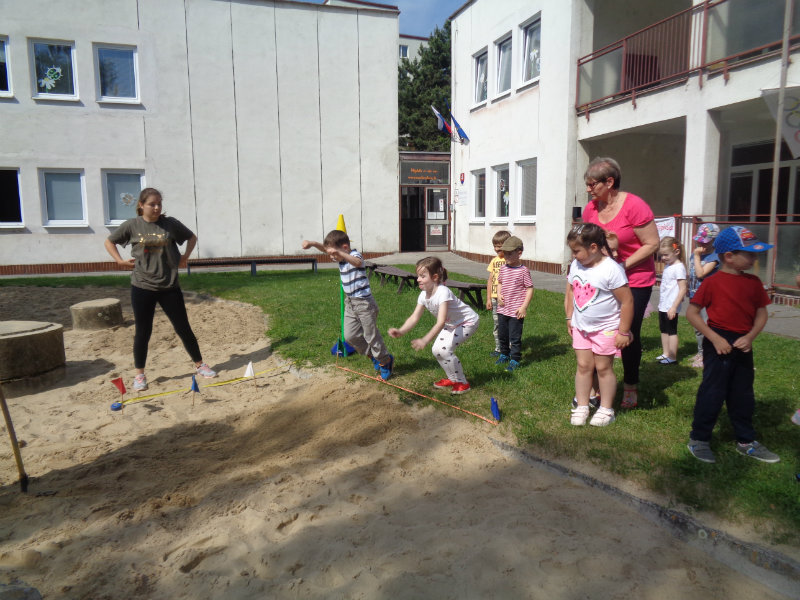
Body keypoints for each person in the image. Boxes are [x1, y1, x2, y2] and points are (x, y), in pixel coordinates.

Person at [104, 188, 217, 391]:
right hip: (142, 286)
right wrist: (119, 261)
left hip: (169, 286)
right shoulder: (132, 225)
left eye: (159, 204)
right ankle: (140, 375)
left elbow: (192, 237)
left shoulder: (170, 224)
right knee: (143, 331)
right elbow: (109, 241)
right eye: (152, 204)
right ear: (141, 205)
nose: (156, 208)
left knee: (183, 327)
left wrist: (185, 257)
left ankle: (200, 365)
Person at [685, 226, 779, 464]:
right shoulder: (712, 282)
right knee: (712, 391)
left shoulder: (753, 283)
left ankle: (746, 441)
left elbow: (761, 314)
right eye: (750, 254)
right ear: (729, 256)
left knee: (743, 393)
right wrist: (715, 338)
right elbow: (692, 313)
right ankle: (699, 439)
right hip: (717, 341)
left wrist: (750, 337)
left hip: (742, 343)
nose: (755, 258)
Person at [582, 157, 659, 409]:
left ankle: (630, 385)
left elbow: (652, 244)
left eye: (592, 184)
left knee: (627, 332)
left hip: (635, 280)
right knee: (598, 329)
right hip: (602, 279)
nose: (588, 190)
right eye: (587, 184)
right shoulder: (590, 209)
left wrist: (621, 266)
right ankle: (596, 384)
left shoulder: (635, 206)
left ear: (609, 182)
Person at [565, 224, 633, 426]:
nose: (574, 255)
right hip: (581, 328)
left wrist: (623, 331)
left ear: (593, 247)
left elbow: (627, 301)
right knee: (583, 366)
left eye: (577, 251)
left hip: (606, 329)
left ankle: (606, 410)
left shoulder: (611, 270)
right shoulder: (576, 265)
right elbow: (571, 291)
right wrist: (569, 318)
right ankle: (582, 406)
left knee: (603, 368)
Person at [302, 230, 393, 380]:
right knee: (350, 336)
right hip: (350, 303)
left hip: (364, 304)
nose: (332, 257)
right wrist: (312, 243)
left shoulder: (355, 256)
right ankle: (373, 356)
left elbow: (357, 263)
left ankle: (385, 361)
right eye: (331, 254)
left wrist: (339, 253)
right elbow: (326, 250)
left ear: (344, 248)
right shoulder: (340, 258)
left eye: (334, 254)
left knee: (371, 336)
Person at [388, 257, 479, 394]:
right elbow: (414, 317)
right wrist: (401, 331)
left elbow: (440, 322)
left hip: (467, 322)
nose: (418, 279)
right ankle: (452, 379)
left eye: (422, 276)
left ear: (435, 277)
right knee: (437, 350)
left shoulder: (443, 292)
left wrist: (425, 340)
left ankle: (462, 383)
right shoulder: (423, 295)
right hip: (451, 324)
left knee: (445, 351)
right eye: (418, 276)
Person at [494, 236, 534, 372]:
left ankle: (515, 359)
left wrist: (524, 307)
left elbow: (529, 288)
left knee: (514, 337)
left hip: (516, 311)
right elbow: (499, 283)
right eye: (505, 254)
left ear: (519, 253)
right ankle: (504, 354)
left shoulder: (523, 271)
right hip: (503, 309)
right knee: (502, 335)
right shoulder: (503, 268)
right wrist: (498, 294)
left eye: (510, 254)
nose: (506, 257)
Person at [687, 223, 720, 368]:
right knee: (697, 326)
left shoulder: (714, 256)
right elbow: (692, 274)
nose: (701, 243)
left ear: (714, 240)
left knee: (706, 326)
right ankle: (701, 352)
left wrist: (696, 256)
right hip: (694, 295)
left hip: (707, 298)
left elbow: (700, 274)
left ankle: (708, 355)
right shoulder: (696, 255)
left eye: (705, 241)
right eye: (699, 240)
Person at [655, 236, 687, 365]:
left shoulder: (679, 267)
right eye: (661, 255)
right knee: (663, 329)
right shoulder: (669, 265)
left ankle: (672, 357)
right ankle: (666, 353)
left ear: (676, 252)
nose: (663, 258)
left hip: (671, 306)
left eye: (666, 255)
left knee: (671, 331)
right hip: (664, 304)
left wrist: (674, 307)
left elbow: (683, 288)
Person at [486, 230, 511, 357]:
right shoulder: (494, 261)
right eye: (495, 246)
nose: (496, 249)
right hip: (495, 298)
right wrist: (489, 298)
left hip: (507, 299)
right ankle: (498, 348)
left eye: (499, 247)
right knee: (497, 324)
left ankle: (509, 348)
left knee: (508, 324)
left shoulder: (510, 261)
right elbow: (490, 280)